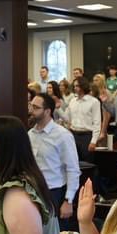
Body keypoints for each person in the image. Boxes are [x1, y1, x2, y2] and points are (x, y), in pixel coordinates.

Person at [29, 94, 81, 224]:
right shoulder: (30, 134)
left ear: (47, 111)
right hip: (32, 191)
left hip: (54, 192)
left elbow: (73, 169)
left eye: (36, 108)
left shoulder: (63, 135)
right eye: (31, 106)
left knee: (54, 233)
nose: (31, 110)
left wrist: (68, 200)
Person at [65, 77, 102, 162]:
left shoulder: (94, 101)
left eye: (77, 86)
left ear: (83, 86)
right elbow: (67, 118)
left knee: (87, 163)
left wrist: (93, 141)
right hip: (74, 135)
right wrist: (58, 108)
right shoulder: (73, 101)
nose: (75, 88)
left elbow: (97, 123)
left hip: (87, 136)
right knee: (73, 162)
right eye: (74, 86)